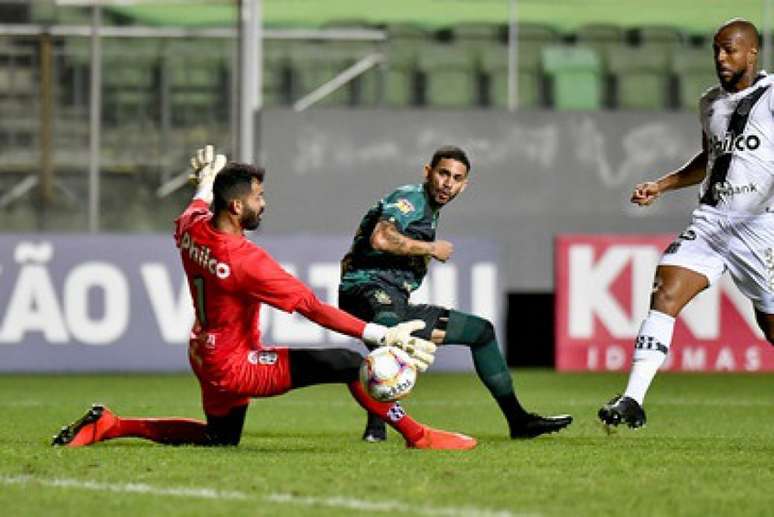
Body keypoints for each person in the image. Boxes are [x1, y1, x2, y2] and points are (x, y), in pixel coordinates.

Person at [51, 146, 475, 450]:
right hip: (236, 365)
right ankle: (420, 437)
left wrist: (204, 178)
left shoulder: (192, 227)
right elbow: (313, 309)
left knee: (219, 438)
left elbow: (197, 204)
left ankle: (112, 425)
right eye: (258, 197)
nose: (264, 203)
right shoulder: (245, 261)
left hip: (204, 352)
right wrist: (381, 334)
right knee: (348, 362)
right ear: (237, 207)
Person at [598, 18, 774, 429]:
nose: (720, 57)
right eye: (716, 49)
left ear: (752, 52)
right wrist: (662, 184)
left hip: (760, 228)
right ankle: (632, 398)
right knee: (665, 292)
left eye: (730, 49)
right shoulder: (709, 102)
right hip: (712, 223)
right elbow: (712, 159)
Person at [338, 145, 573, 442]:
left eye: (457, 178)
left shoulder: (430, 211)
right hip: (365, 289)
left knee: (481, 332)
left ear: (465, 185)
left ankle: (519, 421)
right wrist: (430, 248)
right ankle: (376, 427)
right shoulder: (411, 198)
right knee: (389, 322)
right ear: (428, 172)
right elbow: (382, 237)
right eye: (443, 173)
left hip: (393, 297)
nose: (448, 183)